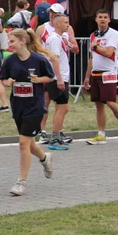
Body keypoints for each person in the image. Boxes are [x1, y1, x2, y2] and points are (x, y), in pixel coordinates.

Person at [0, 29, 56, 196]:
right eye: (9, 42)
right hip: (18, 105)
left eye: (12, 42)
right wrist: (7, 82)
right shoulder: (9, 61)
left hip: (35, 106)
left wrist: (39, 80)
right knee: (29, 143)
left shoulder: (38, 60)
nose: (9, 45)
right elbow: (2, 79)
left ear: (22, 41)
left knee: (23, 143)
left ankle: (21, 182)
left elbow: (51, 76)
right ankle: (45, 158)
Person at [83, 9, 118, 145]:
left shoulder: (113, 34)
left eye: (105, 17)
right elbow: (91, 57)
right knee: (98, 104)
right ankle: (101, 133)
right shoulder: (93, 35)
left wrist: (96, 48)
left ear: (109, 20)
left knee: (110, 102)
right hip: (96, 72)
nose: (103, 19)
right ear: (96, 19)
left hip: (109, 72)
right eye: (100, 17)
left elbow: (109, 52)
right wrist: (87, 77)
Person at [42, 13, 73, 150]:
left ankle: (57, 135)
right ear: (57, 24)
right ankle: (54, 137)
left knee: (61, 108)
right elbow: (54, 58)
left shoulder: (59, 38)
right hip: (57, 78)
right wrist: (59, 78)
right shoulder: (54, 38)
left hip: (59, 77)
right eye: (65, 22)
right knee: (62, 108)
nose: (67, 25)